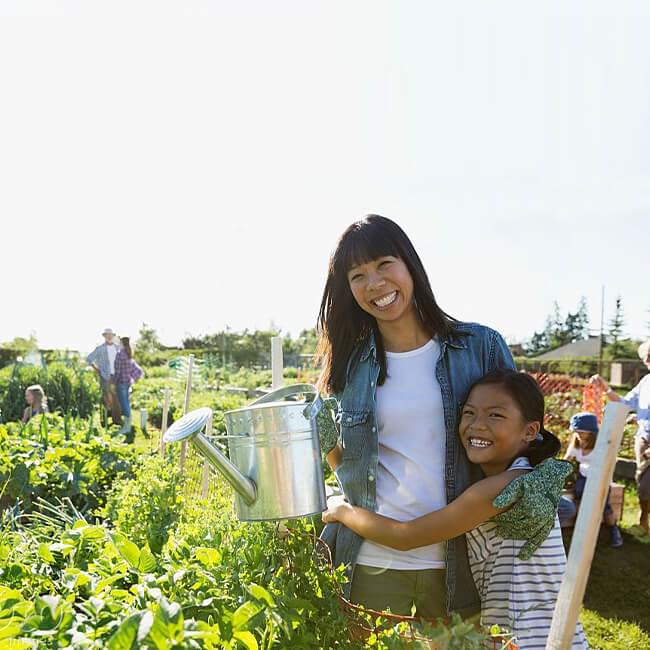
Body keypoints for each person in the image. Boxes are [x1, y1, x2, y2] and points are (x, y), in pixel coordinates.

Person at [315, 215, 567, 619]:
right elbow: (351, 465)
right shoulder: (350, 364)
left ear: (409, 265)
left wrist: (537, 479)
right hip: (372, 561)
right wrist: (332, 453)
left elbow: (518, 431)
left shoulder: (479, 346)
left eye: (384, 265)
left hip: (461, 564)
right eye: (357, 275)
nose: (374, 284)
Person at [323, 370, 587, 649]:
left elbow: (406, 536)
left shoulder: (502, 490)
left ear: (530, 431)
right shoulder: (521, 479)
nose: (477, 425)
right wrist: (333, 450)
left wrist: (343, 511)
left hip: (535, 639)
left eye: (495, 415)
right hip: (528, 633)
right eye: (469, 413)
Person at [590, 339, 650, 533]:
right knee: (643, 481)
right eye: (647, 358)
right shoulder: (646, 382)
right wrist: (605, 388)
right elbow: (624, 403)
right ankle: (644, 520)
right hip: (644, 438)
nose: (649, 361)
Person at [560, 412, 623, 547]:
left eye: (582, 431)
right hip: (584, 477)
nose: (578, 434)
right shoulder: (576, 443)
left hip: (600, 479)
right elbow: (566, 461)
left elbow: (609, 463)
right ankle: (581, 531)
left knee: (603, 506)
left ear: (591, 432)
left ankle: (614, 532)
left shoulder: (601, 445)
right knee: (580, 497)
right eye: (576, 431)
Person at [86, 328, 122, 425]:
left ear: (113, 336)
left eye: (111, 335)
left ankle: (117, 421)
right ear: (104, 336)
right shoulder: (100, 348)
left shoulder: (118, 348)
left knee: (117, 399)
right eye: (107, 335)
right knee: (105, 398)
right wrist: (97, 369)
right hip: (105, 376)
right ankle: (104, 421)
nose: (109, 336)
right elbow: (89, 359)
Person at [113, 336, 144, 439]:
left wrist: (113, 382)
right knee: (126, 403)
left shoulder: (119, 354)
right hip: (127, 383)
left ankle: (127, 427)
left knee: (124, 404)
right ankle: (127, 425)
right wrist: (133, 379)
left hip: (121, 383)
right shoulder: (128, 353)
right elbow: (137, 370)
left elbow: (117, 372)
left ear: (121, 343)